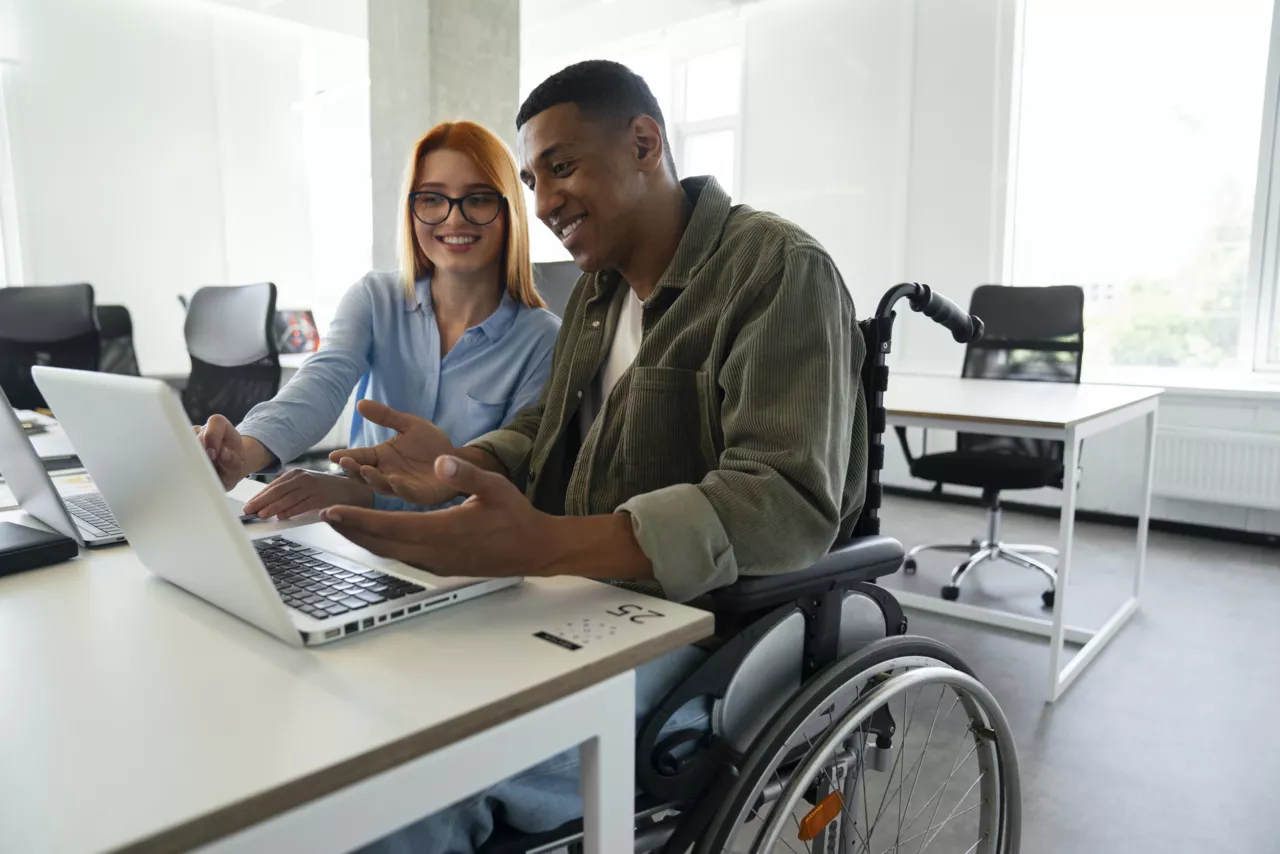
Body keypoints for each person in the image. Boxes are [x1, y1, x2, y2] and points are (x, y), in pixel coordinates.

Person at [329, 61, 868, 853]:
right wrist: (459, 462)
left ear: (645, 143)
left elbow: (782, 503)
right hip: (581, 605)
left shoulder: (776, 269)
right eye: (530, 180)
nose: (542, 205)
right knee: (379, 712)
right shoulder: (596, 289)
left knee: (421, 789)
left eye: (563, 168)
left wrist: (546, 544)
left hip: (706, 633)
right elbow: (550, 424)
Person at [195, 121, 560, 518]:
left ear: (509, 211)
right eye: (433, 199)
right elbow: (320, 386)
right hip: (360, 543)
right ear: (412, 208)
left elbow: (508, 481)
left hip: (463, 551)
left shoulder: (543, 341)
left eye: (478, 199)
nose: (454, 219)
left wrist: (363, 495)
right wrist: (242, 452)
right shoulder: (374, 299)